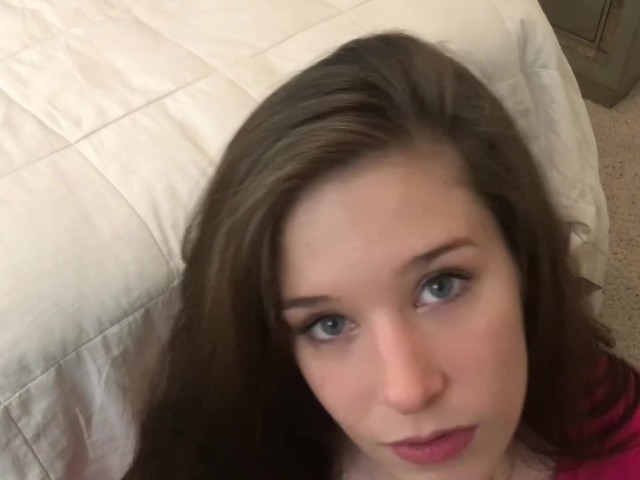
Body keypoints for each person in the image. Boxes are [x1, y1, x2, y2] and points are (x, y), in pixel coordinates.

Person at [121, 33, 640, 480]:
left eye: (441, 285)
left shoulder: (616, 431)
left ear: (524, 262)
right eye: (327, 324)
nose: (409, 391)